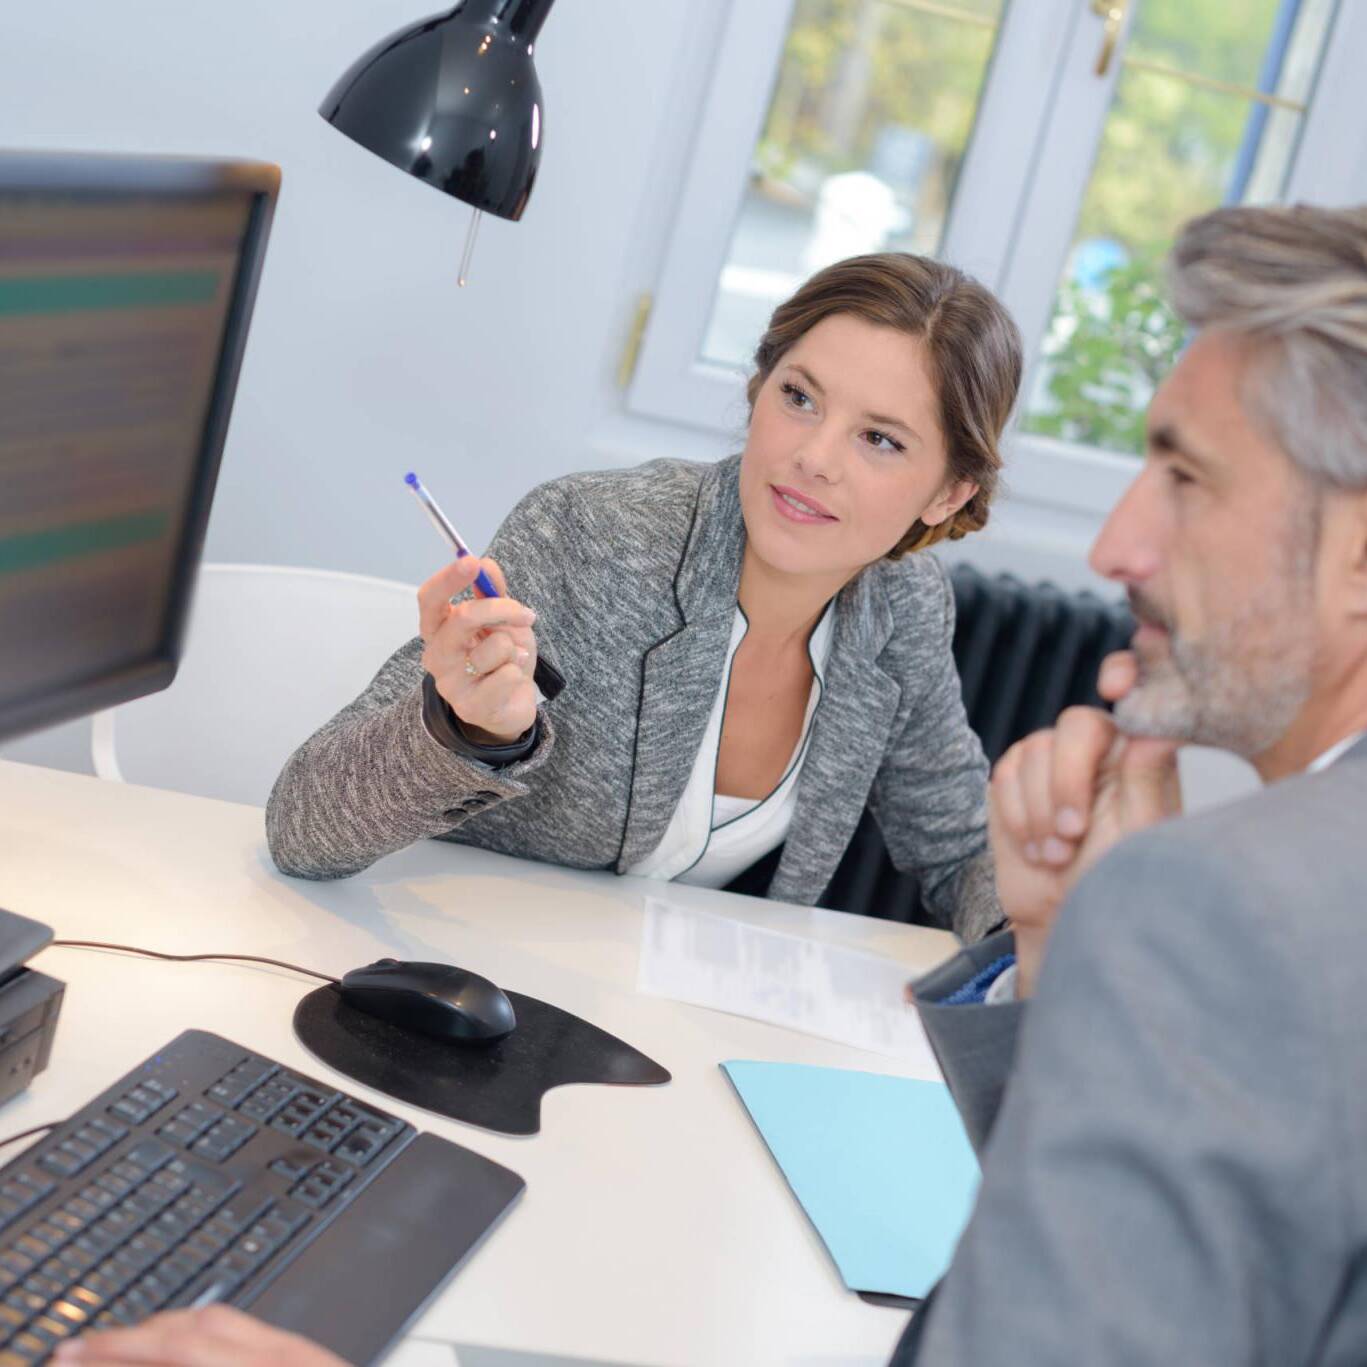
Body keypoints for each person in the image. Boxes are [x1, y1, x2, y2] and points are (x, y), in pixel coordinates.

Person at [888, 202, 1367, 1362]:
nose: (1112, 547)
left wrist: (1123, 944)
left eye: (1184, 477)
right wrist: (1063, 961)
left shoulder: (1223, 908)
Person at [266, 254, 1024, 942]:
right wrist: (463, 733)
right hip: (433, 966)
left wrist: (1037, 955)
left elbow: (960, 846)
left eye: (880, 439)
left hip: (644, 1027)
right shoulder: (595, 534)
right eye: (798, 397)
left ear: (949, 491)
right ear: (759, 388)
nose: (812, 457)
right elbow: (301, 828)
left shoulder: (904, 605)